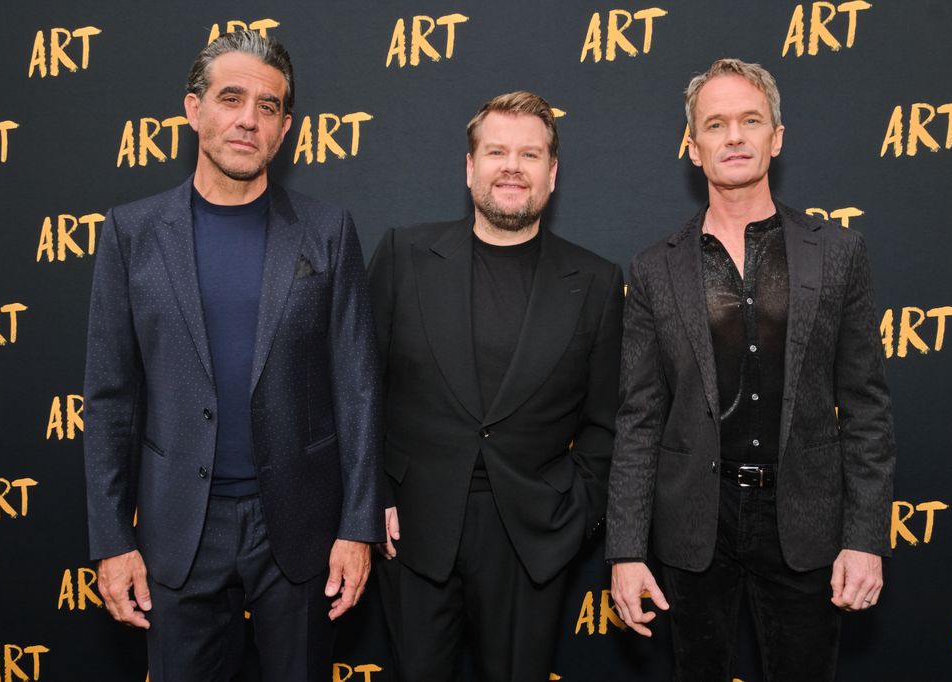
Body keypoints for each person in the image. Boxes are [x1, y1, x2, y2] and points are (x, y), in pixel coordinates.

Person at [83, 30, 383, 681]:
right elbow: (109, 400)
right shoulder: (132, 233)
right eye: (231, 98)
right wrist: (111, 540)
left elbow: (357, 388)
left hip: (300, 529)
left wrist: (357, 526)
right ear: (194, 110)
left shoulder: (328, 230)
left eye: (268, 106)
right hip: (177, 530)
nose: (249, 119)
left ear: (286, 128)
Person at [606, 58, 896, 681]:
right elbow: (639, 418)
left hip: (806, 519)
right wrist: (626, 550)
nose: (734, 136)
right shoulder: (654, 268)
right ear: (693, 147)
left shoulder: (838, 253)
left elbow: (867, 407)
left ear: (777, 137)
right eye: (715, 124)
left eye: (750, 120)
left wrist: (865, 536)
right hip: (694, 524)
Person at [368, 91, 623, 681]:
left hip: (532, 536)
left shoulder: (596, 281)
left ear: (552, 174)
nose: (512, 167)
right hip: (412, 529)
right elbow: (361, 389)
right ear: (470, 167)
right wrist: (371, 496)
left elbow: (608, 423)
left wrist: (575, 513)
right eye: (496, 152)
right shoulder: (404, 254)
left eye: (529, 155)